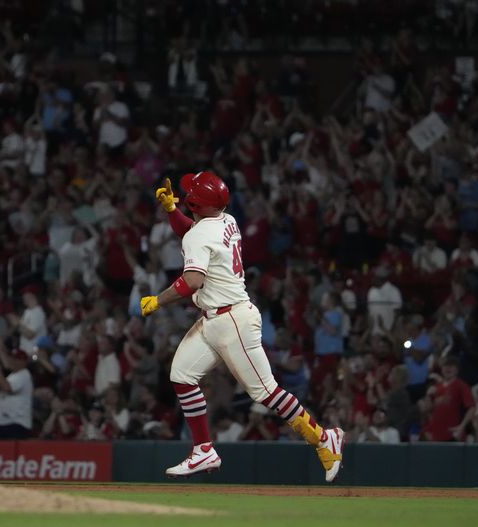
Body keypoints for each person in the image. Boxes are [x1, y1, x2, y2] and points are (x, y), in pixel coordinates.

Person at [140, 173, 344, 480]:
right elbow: (193, 233)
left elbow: (192, 280)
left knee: (266, 392)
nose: (185, 194)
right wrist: (172, 211)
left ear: (196, 202)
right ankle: (203, 450)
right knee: (181, 375)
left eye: (189, 193)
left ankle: (323, 437)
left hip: (231, 319)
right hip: (216, 317)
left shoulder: (201, 234)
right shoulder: (227, 219)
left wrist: (158, 300)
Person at [0, 344, 33, 439]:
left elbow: (7, 388)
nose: (12, 361)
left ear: (23, 362)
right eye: (12, 358)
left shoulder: (24, 374)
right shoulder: (12, 376)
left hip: (16, 424)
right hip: (5, 423)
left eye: (16, 359)